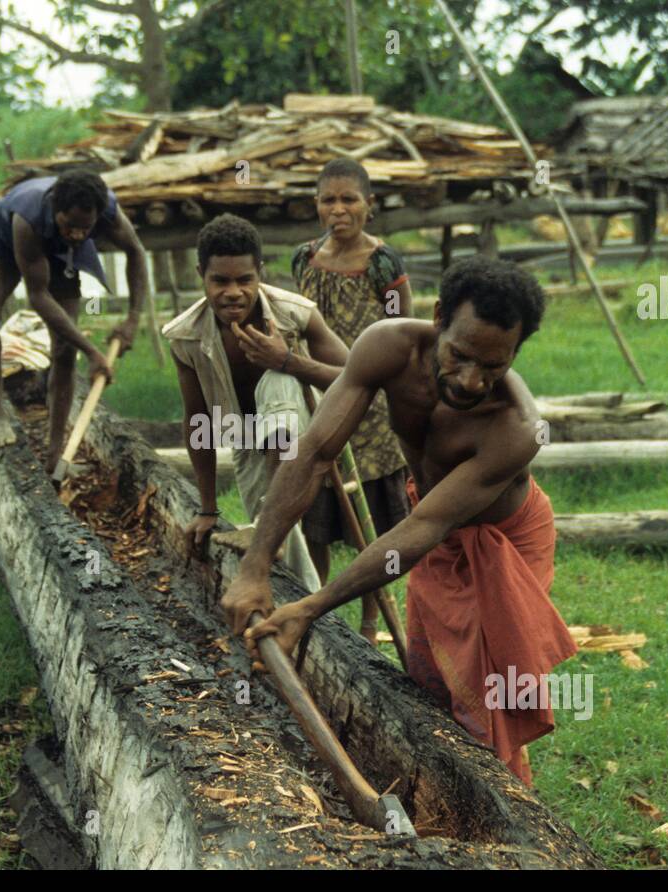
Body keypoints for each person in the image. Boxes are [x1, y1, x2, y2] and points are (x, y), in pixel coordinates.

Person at [221, 256, 578, 784]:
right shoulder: (387, 346)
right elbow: (317, 451)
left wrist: (313, 607)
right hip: (432, 521)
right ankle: (439, 784)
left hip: (500, 539)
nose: (471, 380)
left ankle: (509, 819)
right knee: (433, 673)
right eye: (459, 356)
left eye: (494, 367)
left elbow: (423, 529)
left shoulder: (517, 429)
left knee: (488, 694)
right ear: (438, 317)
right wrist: (254, 566)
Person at [162, 214, 350, 593]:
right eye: (220, 281)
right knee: (282, 544)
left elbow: (354, 377)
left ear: (259, 273)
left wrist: (287, 361)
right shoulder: (185, 337)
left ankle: (269, 526)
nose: (233, 292)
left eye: (244, 280)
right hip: (246, 439)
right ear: (201, 274)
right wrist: (208, 508)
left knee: (278, 380)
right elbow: (198, 420)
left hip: (306, 433)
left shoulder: (294, 314)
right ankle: (308, 611)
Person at [292, 157, 413, 641]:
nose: (338, 210)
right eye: (328, 200)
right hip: (317, 392)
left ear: (370, 205)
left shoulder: (383, 263)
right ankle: (318, 608)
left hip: (374, 404)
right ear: (316, 206)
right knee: (318, 505)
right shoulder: (305, 258)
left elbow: (401, 331)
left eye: (349, 199)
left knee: (374, 522)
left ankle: (368, 620)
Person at [0, 170, 149, 469]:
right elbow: (38, 296)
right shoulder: (28, 217)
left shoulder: (105, 210)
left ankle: (56, 456)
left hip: (56, 250)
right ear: (56, 209)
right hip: (5, 238)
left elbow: (136, 252)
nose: (78, 234)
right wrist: (92, 351)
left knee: (65, 350)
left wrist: (132, 319)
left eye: (85, 228)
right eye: (71, 225)